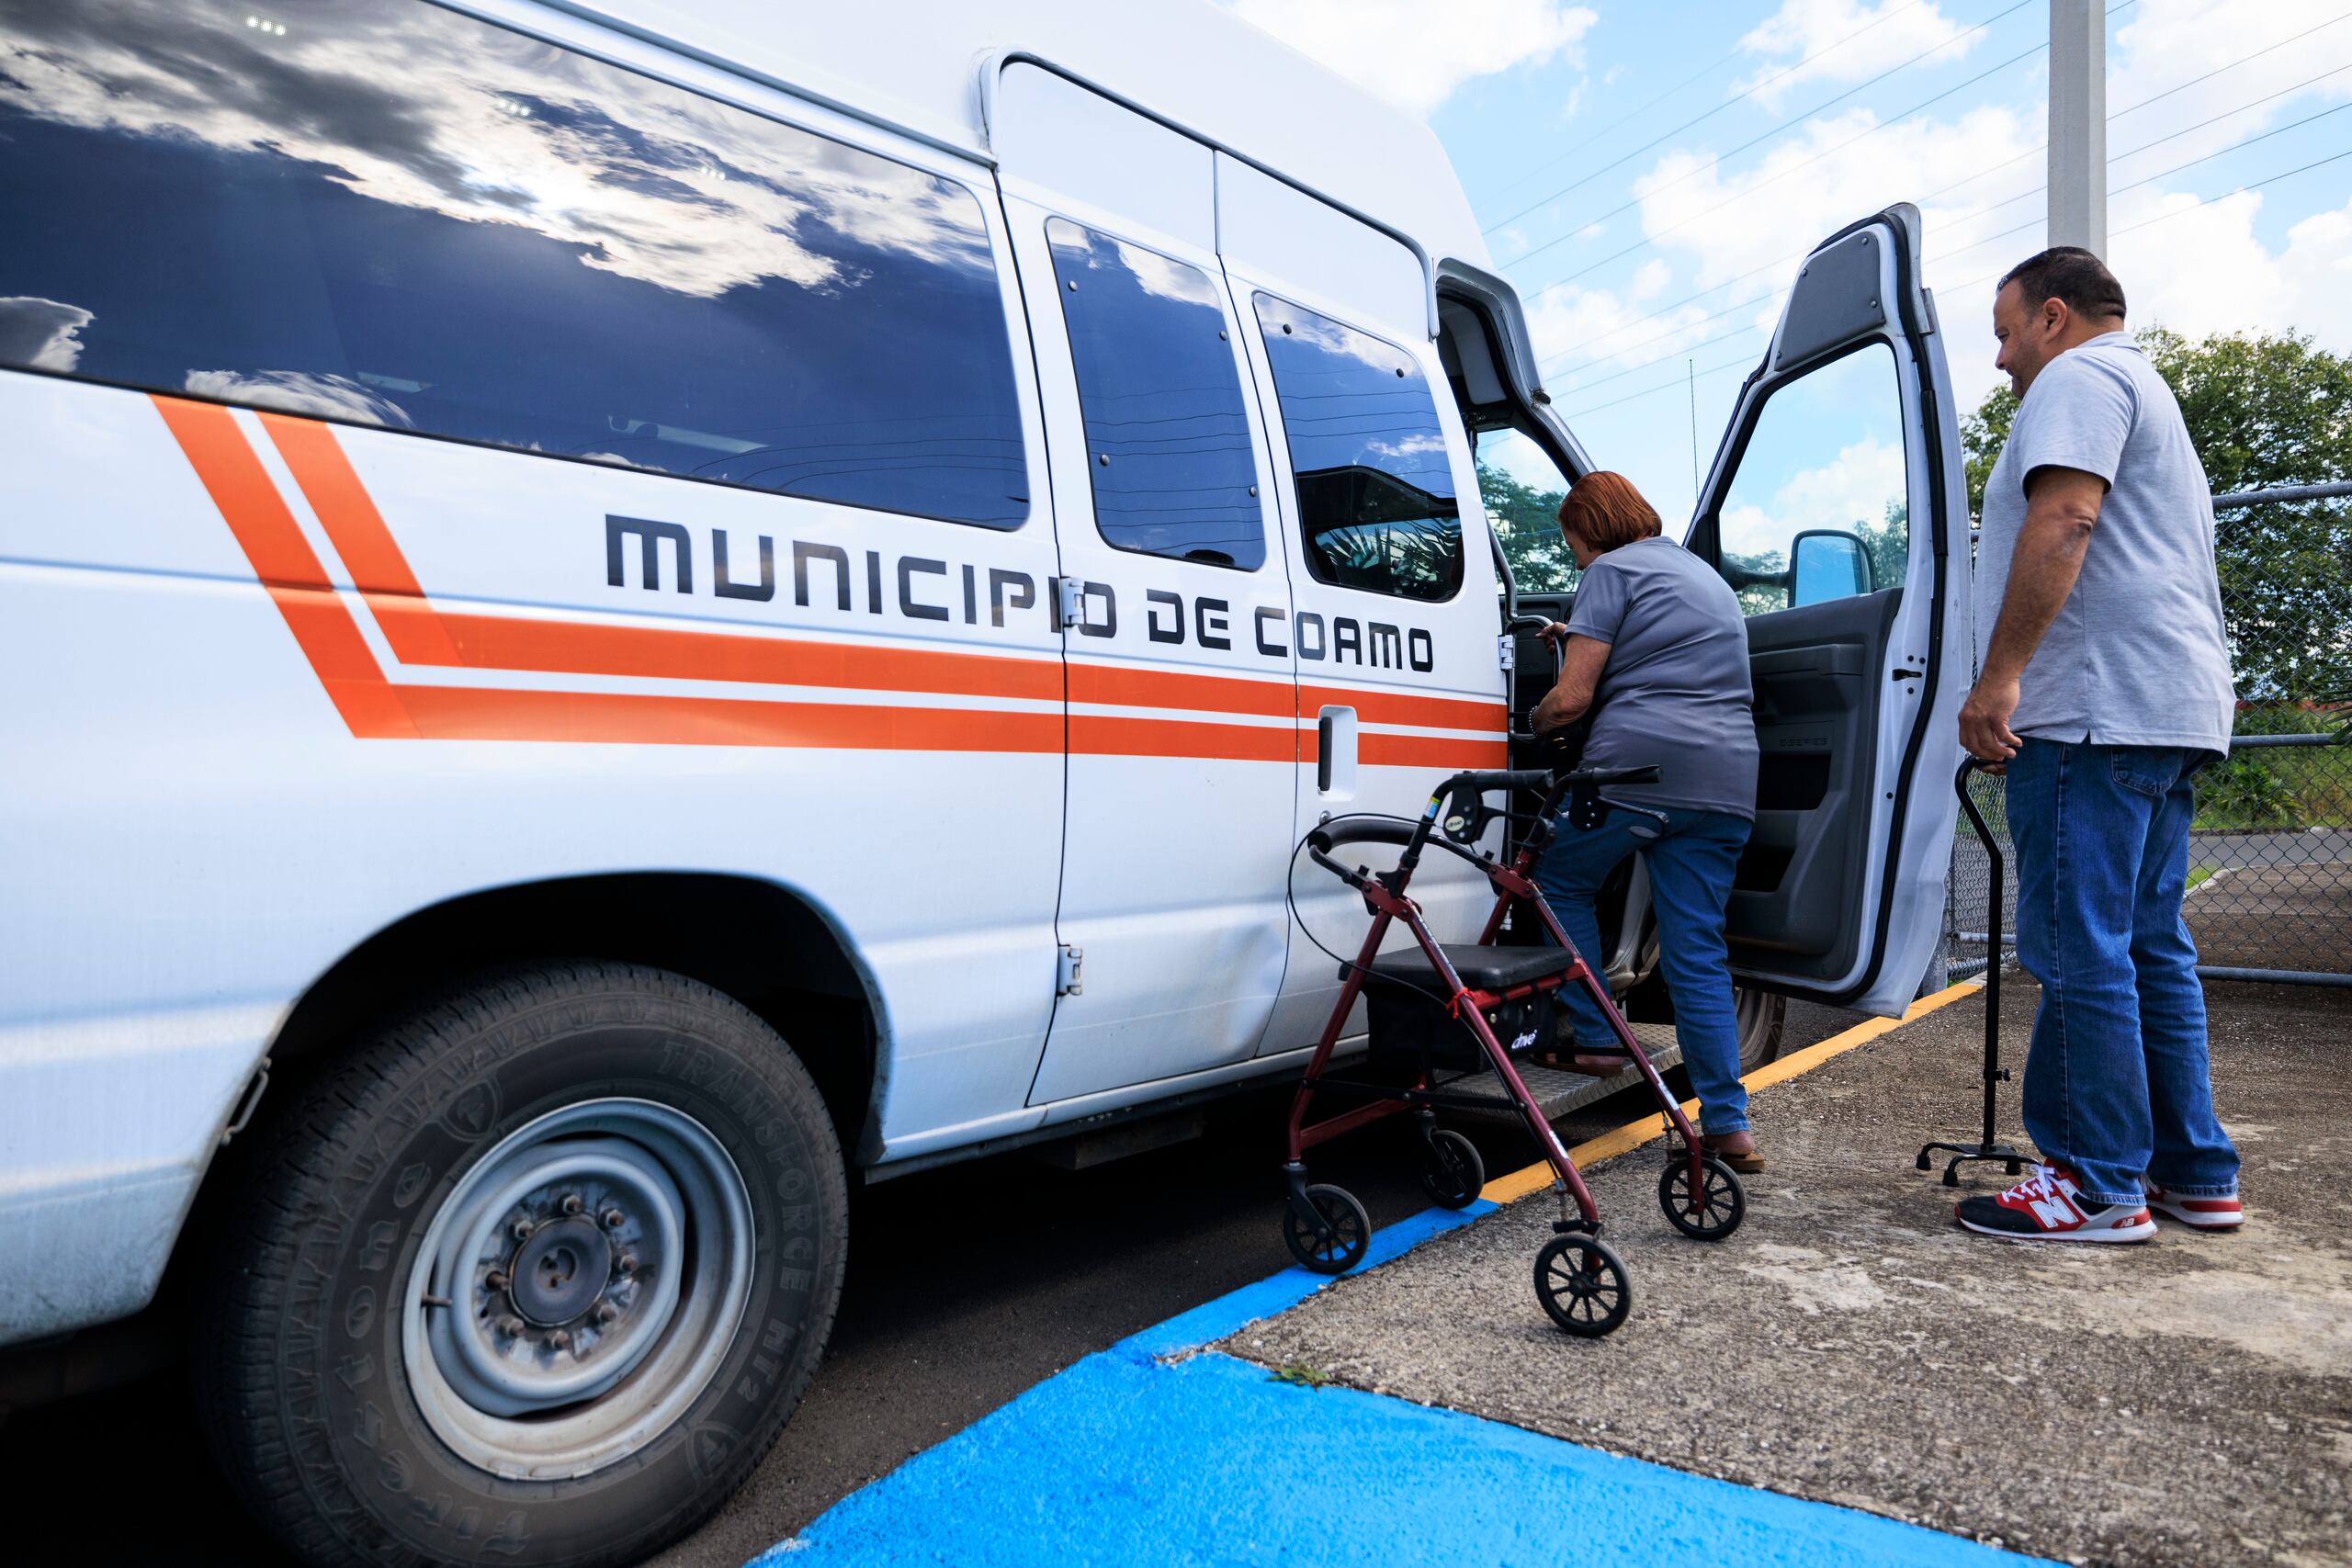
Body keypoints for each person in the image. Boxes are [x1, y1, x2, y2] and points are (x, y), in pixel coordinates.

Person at [1953, 246, 2243, 1244]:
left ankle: (2094, 1182)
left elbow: (2066, 517)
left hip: (2090, 710)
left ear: (2053, 315)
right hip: (2166, 710)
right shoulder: (2146, 389)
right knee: (2148, 945)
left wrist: (1997, 682)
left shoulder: (2078, 377)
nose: (1999, 360)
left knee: (2078, 947)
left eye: (2002, 331)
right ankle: (2191, 1172)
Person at [1529, 471, 1762, 1171]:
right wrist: (1579, 635)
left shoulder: (1609, 569)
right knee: (1696, 951)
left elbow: (1571, 701)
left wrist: (1535, 720)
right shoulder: (1700, 575)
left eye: (1572, 543)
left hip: (1638, 775)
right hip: (1727, 783)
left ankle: (1599, 1034)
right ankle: (1727, 1123)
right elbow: (1664, 650)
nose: (1573, 559)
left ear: (1589, 528)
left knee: (1552, 878)